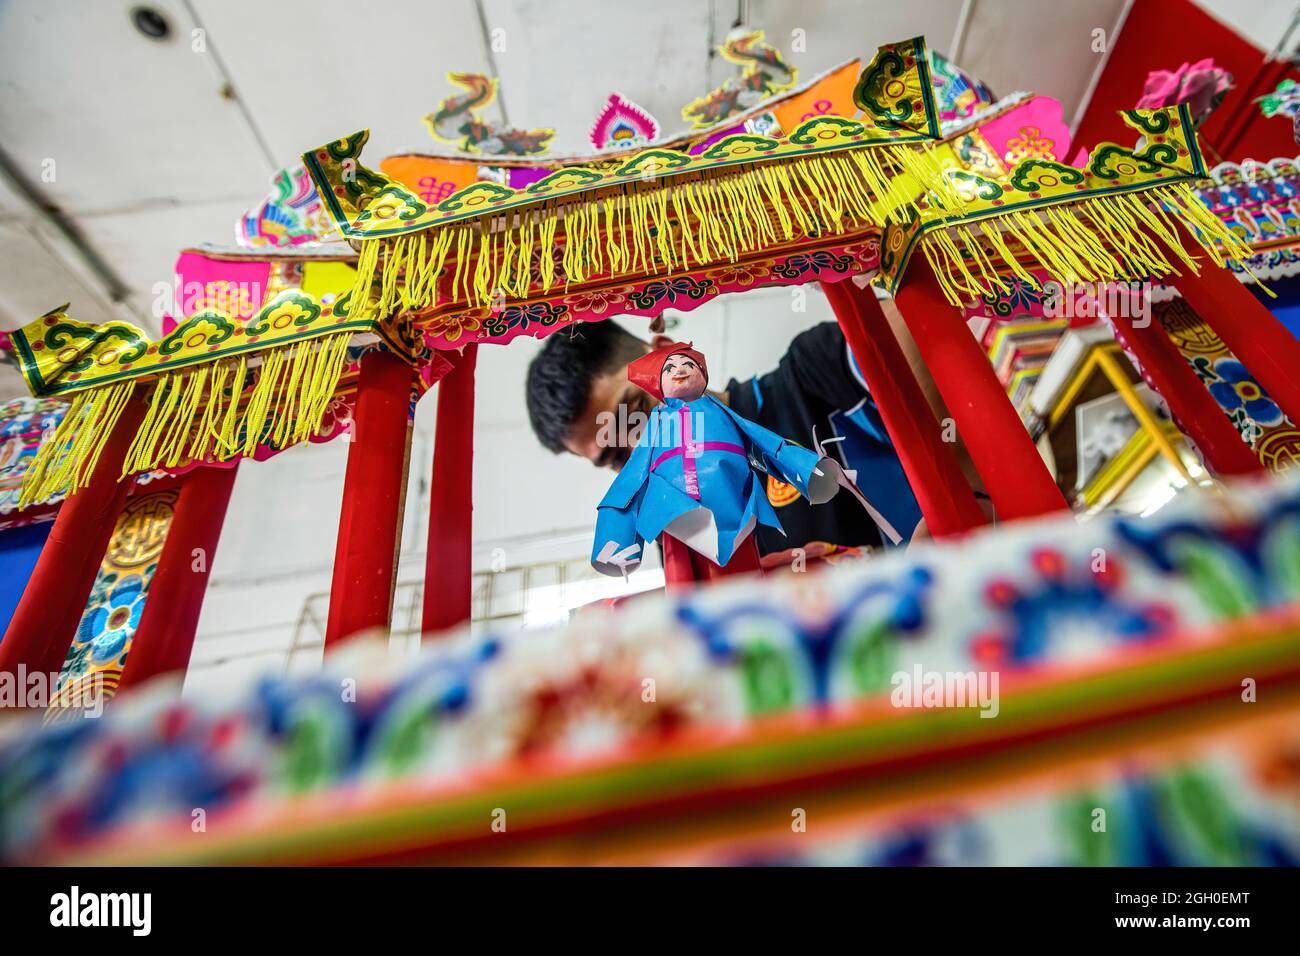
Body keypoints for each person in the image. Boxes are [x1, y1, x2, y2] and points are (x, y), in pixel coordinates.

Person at [526, 317, 925, 560]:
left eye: (635, 414)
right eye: (615, 457)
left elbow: (921, 337)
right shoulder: (683, 537)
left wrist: (962, 501)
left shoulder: (811, 374)